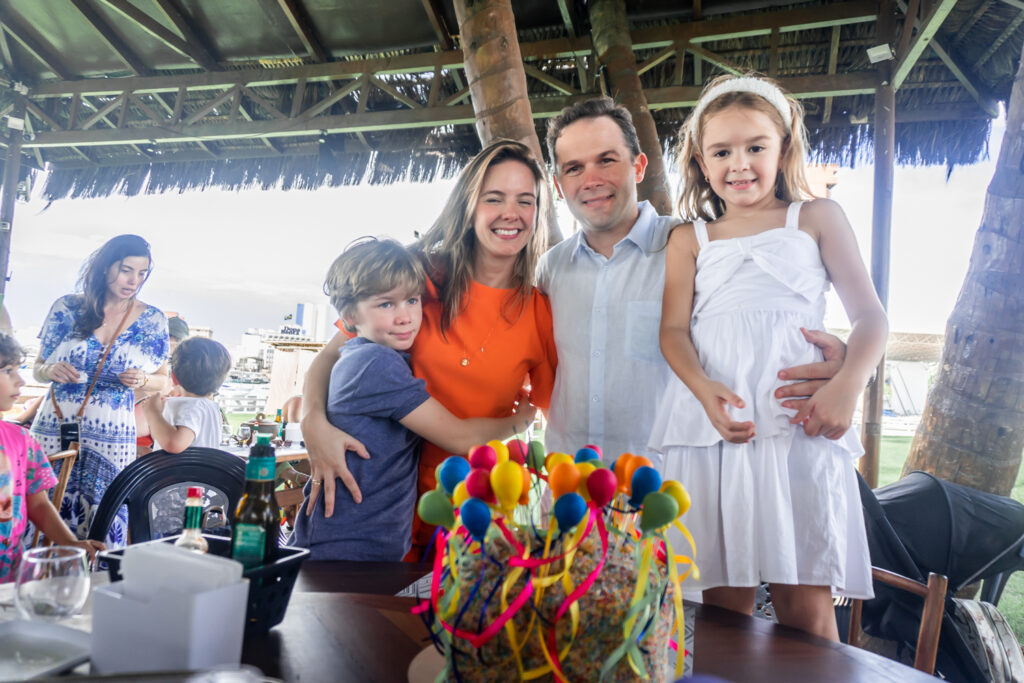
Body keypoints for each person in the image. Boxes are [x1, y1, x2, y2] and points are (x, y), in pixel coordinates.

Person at [651, 74, 888, 641]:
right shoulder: (690, 239)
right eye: (722, 151)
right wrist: (705, 390)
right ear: (701, 163)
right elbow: (673, 331)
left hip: (796, 428)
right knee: (718, 613)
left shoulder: (815, 219)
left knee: (806, 608)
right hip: (714, 432)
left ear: (783, 148)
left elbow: (871, 319)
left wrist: (847, 385)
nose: (740, 163)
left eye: (756, 146)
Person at [538, 96, 849, 469]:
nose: (591, 179)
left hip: (666, 482)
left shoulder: (699, 250)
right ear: (558, 185)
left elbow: (770, 312)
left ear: (638, 167)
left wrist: (843, 365)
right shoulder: (549, 270)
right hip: (565, 482)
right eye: (573, 168)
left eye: (607, 159)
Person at [301, 141, 557, 561]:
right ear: (468, 205)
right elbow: (332, 356)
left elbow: (557, 410)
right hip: (384, 509)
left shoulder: (540, 311)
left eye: (524, 201)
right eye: (494, 199)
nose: (510, 213)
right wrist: (314, 425)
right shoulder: (418, 277)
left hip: (471, 512)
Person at [290, 238, 536, 561]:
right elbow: (458, 436)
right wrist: (522, 420)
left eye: (412, 300)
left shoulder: (362, 358)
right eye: (386, 305)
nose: (405, 316)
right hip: (346, 551)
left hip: (357, 544)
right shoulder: (375, 365)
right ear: (350, 314)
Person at [30, 235, 169, 545]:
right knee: (43, 504)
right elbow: (37, 368)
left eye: (142, 273)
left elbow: (164, 381)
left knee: (104, 514)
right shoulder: (66, 307)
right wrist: (50, 370)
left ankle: (94, 585)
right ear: (106, 268)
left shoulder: (152, 319)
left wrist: (143, 380)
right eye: (126, 270)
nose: (134, 280)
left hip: (113, 432)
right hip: (56, 423)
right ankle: (35, 580)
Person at [0, 331, 104, 581]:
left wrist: (72, 543)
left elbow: (37, 504)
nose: (20, 381)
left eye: (18, 369)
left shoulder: (22, 440)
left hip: (11, 580)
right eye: (7, 371)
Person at [142, 337, 231, 453]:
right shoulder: (211, 408)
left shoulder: (193, 407)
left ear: (173, 378)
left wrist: (152, 412)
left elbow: (174, 444)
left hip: (181, 471)